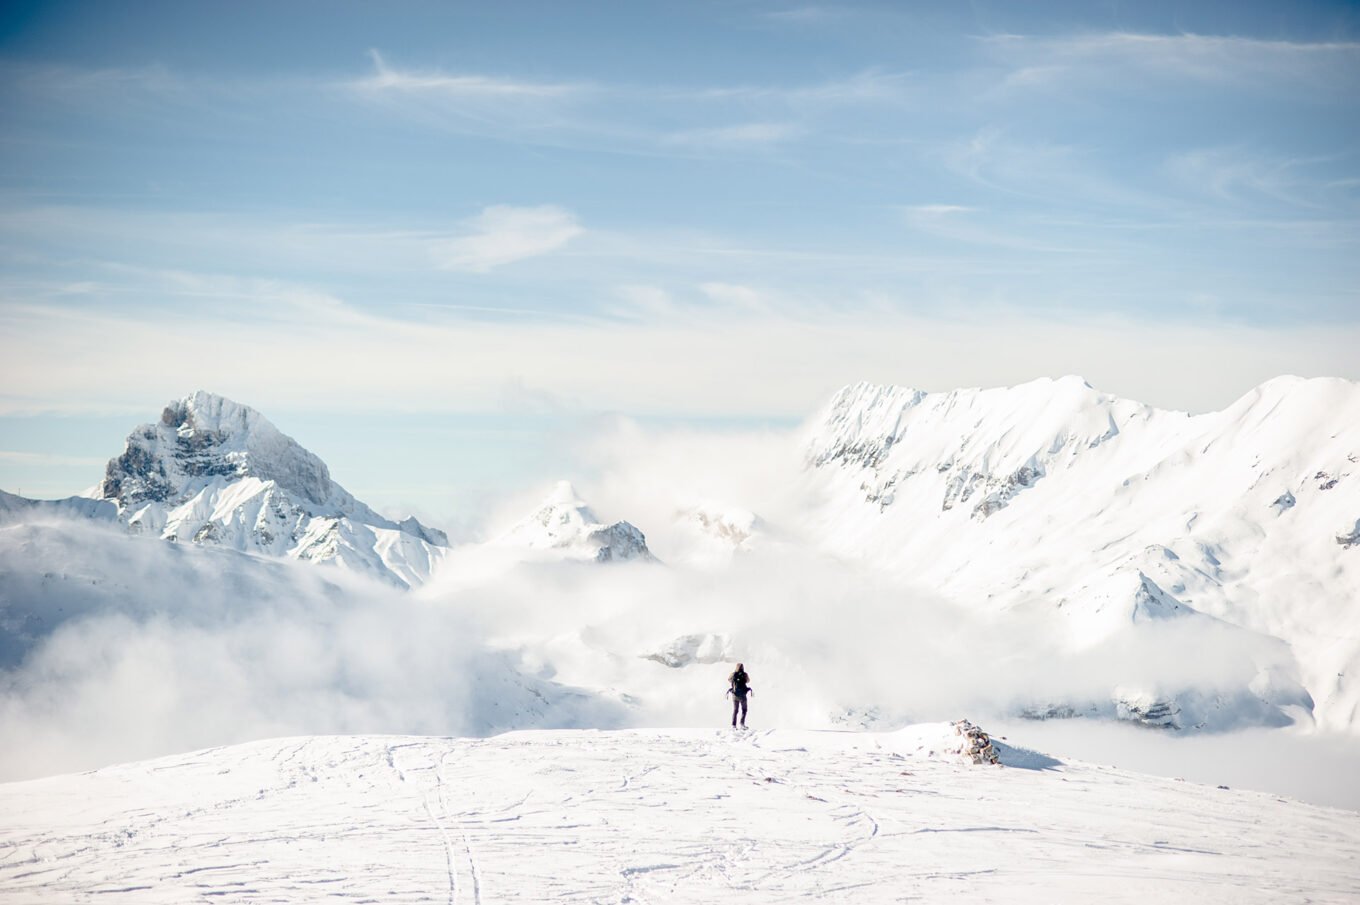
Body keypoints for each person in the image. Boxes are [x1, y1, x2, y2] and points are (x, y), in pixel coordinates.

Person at [727, 663, 753, 728]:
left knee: (735, 710)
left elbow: (729, 679)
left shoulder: (733, 674)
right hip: (743, 696)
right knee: (744, 709)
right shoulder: (745, 674)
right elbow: (748, 681)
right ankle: (742, 723)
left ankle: (733, 725)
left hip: (734, 695)